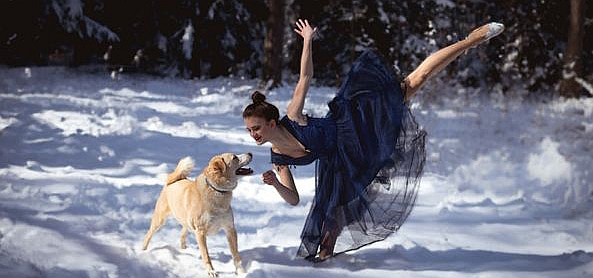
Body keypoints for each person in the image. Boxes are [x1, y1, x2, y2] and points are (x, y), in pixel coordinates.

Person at [242, 19, 504, 261]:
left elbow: (305, 77)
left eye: (256, 128)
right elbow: (293, 199)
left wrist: (308, 40)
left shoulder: (293, 116)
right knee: (329, 223)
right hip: (341, 162)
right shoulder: (279, 158)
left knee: (414, 81)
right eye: (249, 131)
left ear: (272, 123)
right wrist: (276, 183)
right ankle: (325, 266)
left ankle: (470, 40)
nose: (253, 134)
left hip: (356, 123)